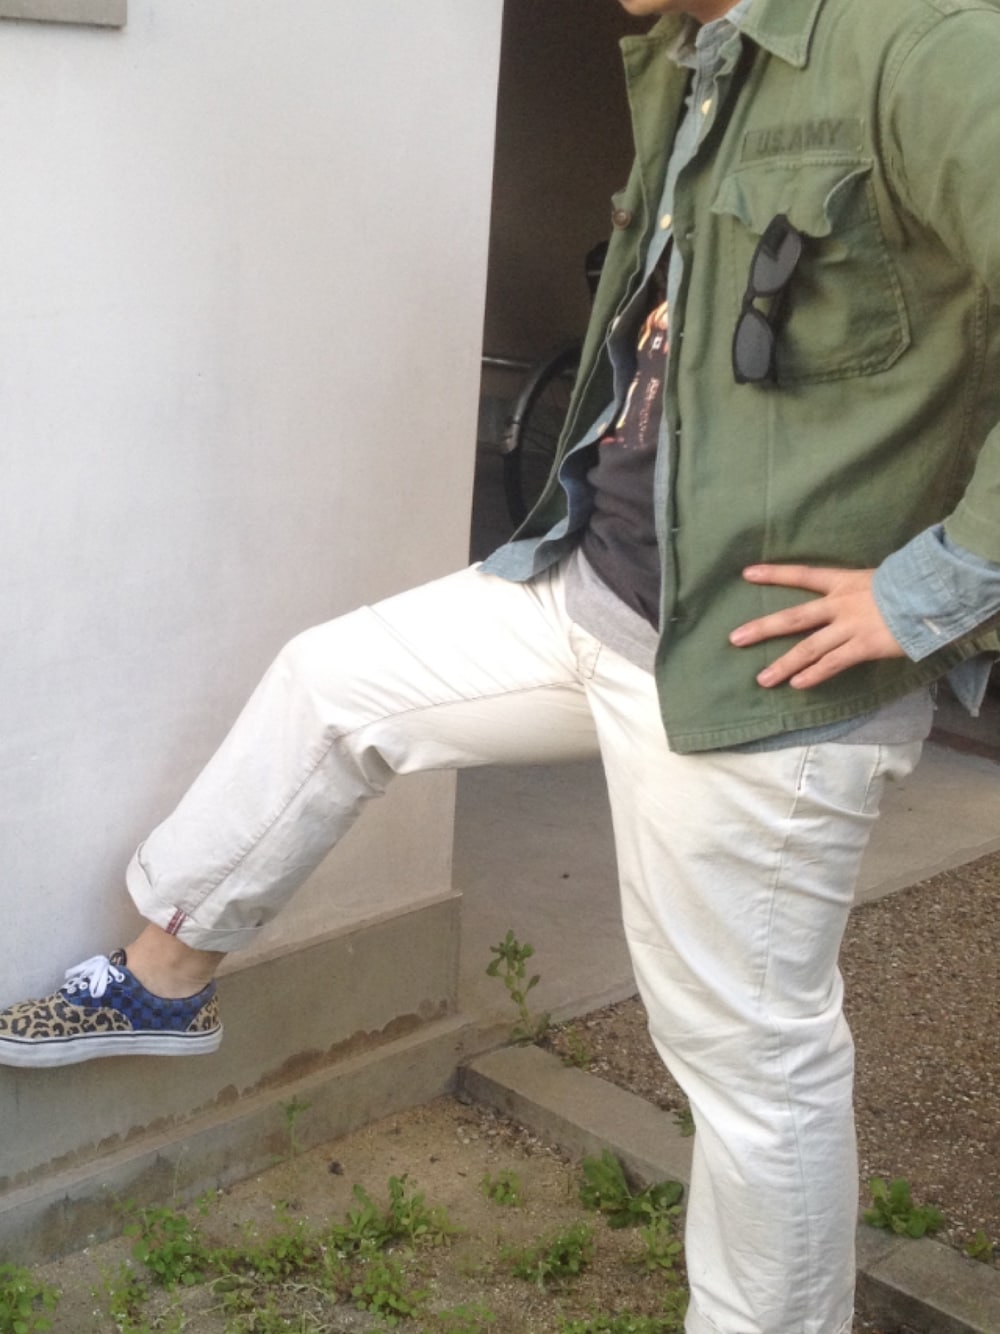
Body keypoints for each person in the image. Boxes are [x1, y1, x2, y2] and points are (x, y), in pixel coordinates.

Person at [3, 0, 1000, 1329]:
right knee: (332, 684)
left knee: (752, 1071)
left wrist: (930, 589)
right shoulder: (701, 59)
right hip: (597, 589)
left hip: (758, 678)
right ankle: (164, 977)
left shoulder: (927, 46)